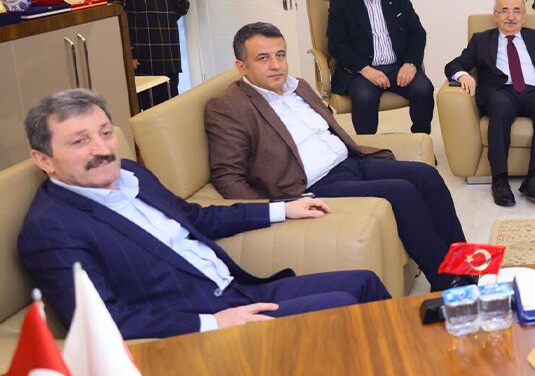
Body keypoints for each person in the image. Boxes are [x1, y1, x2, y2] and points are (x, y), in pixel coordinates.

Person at [18, 89, 389, 340]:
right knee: (341, 309)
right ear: (44, 159)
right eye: (80, 141)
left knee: (364, 283)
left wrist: (281, 209)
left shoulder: (131, 174)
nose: (102, 149)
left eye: (104, 133)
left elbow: (195, 217)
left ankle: (400, 373)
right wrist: (210, 324)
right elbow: (99, 323)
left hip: (238, 290)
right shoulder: (51, 229)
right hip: (199, 321)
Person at [205, 22, 466, 291]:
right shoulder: (228, 106)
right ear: (241, 66)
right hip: (313, 184)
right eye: (263, 58)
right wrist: (272, 211)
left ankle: (468, 267)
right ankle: (448, 283)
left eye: (280, 55)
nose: (276, 65)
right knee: (402, 192)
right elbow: (227, 176)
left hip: (350, 162)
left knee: (426, 175)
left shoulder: (298, 86)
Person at [445, 0, 535, 207]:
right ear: (495, 15)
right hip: (501, 92)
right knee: (501, 107)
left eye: (517, 11)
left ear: (524, 16)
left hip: (534, 92)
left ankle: (534, 178)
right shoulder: (481, 40)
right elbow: (454, 65)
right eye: (505, 11)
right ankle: (500, 180)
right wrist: (463, 75)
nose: (511, 17)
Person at [326, 0, 434, 135]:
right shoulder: (341, 2)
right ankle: (369, 147)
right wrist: (364, 69)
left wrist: (410, 63)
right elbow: (337, 44)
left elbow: (417, 33)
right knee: (364, 97)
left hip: (398, 66)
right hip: (363, 70)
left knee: (424, 90)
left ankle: (421, 138)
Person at [106, 0, 189, 109]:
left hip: (169, 55)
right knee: (149, 111)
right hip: (143, 59)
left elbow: (184, 7)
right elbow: (117, 22)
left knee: (171, 109)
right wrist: (129, 54)